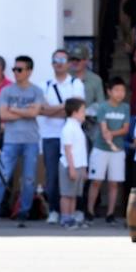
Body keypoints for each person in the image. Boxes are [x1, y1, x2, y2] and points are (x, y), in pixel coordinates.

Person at [0, 55, 42, 227]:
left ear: (29, 71)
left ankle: (23, 212)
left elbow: (34, 113)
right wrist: (25, 111)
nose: (16, 72)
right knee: (1, 176)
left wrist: (14, 109)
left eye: (20, 69)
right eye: (14, 69)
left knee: (29, 178)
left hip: (31, 140)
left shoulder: (36, 91)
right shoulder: (6, 91)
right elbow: (2, 114)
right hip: (10, 139)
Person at [38, 49, 85, 222]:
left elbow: (76, 109)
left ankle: (76, 209)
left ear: (68, 63)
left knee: (75, 172)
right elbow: (41, 110)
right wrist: (64, 107)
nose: (59, 62)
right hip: (50, 135)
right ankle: (54, 209)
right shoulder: (45, 85)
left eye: (63, 59)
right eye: (56, 59)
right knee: (52, 175)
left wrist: (53, 109)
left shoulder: (76, 83)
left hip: (72, 136)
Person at [87, 77, 130, 225]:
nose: (120, 93)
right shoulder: (103, 107)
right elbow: (103, 127)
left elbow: (126, 128)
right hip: (101, 148)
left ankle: (110, 213)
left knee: (114, 183)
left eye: (122, 90)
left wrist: (113, 134)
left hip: (118, 150)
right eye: (116, 90)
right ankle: (90, 211)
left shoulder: (125, 108)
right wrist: (108, 135)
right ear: (109, 91)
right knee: (96, 181)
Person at [58, 98, 88, 228]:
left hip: (79, 165)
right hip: (69, 165)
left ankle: (71, 217)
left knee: (74, 194)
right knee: (66, 194)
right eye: (82, 111)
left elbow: (81, 150)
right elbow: (68, 150)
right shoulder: (68, 128)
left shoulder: (77, 127)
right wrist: (71, 168)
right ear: (74, 113)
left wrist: (84, 168)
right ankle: (65, 218)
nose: (84, 114)